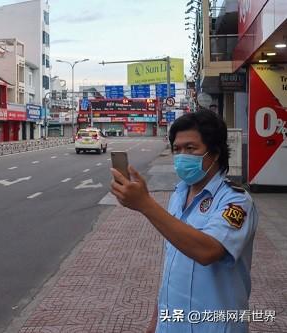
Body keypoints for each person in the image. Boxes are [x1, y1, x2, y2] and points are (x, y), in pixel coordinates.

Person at [110, 111, 258, 333]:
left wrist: (145, 204)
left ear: (215, 153)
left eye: (191, 149)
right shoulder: (179, 194)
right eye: (176, 149)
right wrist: (156, 320)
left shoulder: (236, 201)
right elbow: (173, 266)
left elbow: (207, 250)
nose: (181, 156)